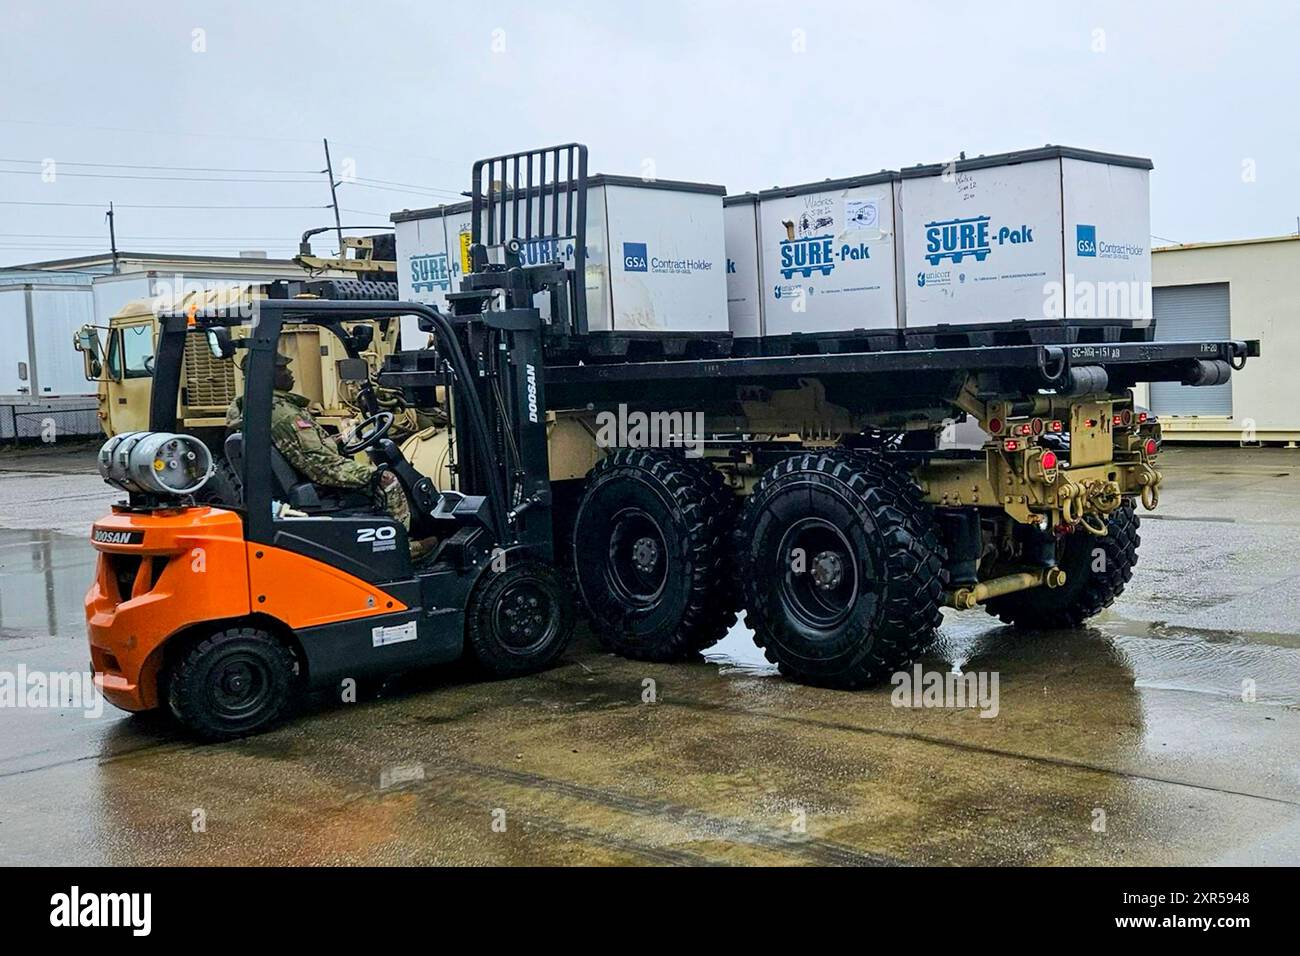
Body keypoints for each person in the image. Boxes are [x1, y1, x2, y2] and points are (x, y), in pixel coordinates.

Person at [225, 352, 413, 535]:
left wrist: (338, 440)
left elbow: (301, 448)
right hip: (316, 485)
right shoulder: (283, 414)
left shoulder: (258, 406)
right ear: (266, 376)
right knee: (387, 479)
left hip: (300, 480)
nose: (290, 373)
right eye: (282, 369)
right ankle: (402, 544)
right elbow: (317, 464)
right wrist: (369, 474)